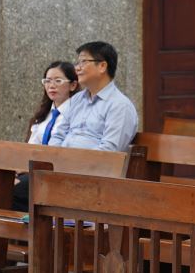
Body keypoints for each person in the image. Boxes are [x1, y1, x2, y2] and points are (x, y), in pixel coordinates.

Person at [10, 41, 140, 211]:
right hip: (59, 173)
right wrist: (55, 164)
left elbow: (108, 154)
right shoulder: (77, 100)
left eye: (83, 62)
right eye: (77, 62)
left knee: (10, 194)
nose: (77, 68)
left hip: (91, 181)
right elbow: (58, 136)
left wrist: (68, 166)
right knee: (3, 189)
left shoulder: (119, 106)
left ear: (102, 66)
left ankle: (41, 228)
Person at [0, 60, 79, 208]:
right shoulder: (43, 115)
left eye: (58, 81)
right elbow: (31, 147)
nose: (51, 85)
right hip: (29, 170)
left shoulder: (76, 115)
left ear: (73, 85)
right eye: (47, 81)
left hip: (54, 173)